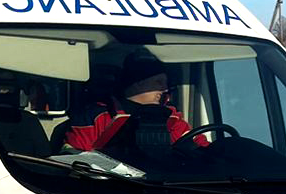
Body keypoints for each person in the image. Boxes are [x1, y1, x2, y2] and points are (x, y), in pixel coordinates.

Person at [64, 54, 201, 152]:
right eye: (158, 82)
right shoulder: (95, 116)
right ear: (137, 83)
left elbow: (201, 146)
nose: (165, 89)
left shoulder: (172, 117)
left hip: (166, 187)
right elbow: (72, 157)